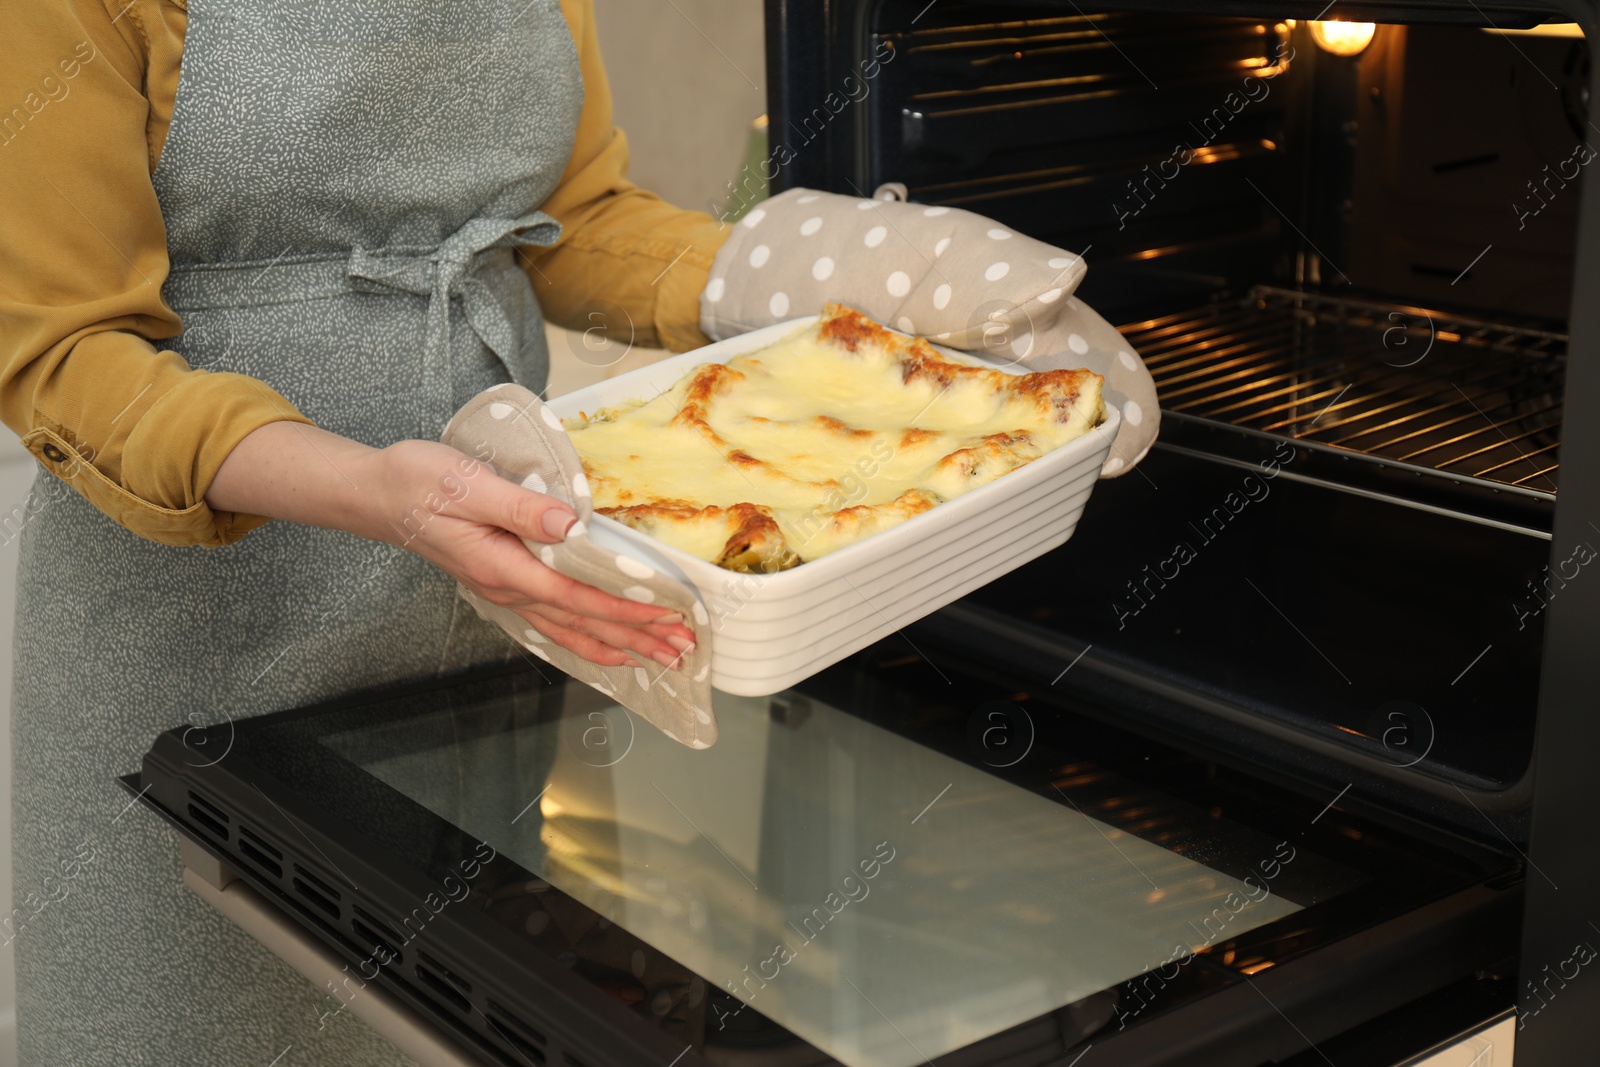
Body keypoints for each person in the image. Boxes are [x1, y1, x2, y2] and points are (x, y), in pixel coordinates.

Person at [2, 0, 715, 1060]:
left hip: (478, 622)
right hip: (196, 643)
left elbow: (571, 220)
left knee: (443, 1020)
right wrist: (375, 490)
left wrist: (794, 273)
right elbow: (63, 350)